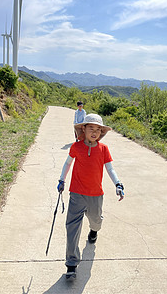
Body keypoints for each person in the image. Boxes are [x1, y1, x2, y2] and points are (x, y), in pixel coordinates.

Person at [57, 113, 124, 281]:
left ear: (101, 132)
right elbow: (67, 163)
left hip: (95, 194)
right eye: (91, 128)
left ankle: (94, 230)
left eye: (98, 130)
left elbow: (110, 168)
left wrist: (118, 183)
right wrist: (61, 180)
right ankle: (71, 264)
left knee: (96, 220)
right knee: (71, 227)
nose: (95, 132)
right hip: (77, 193)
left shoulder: (103, 149)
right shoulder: (76, 147)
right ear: (84, 129)